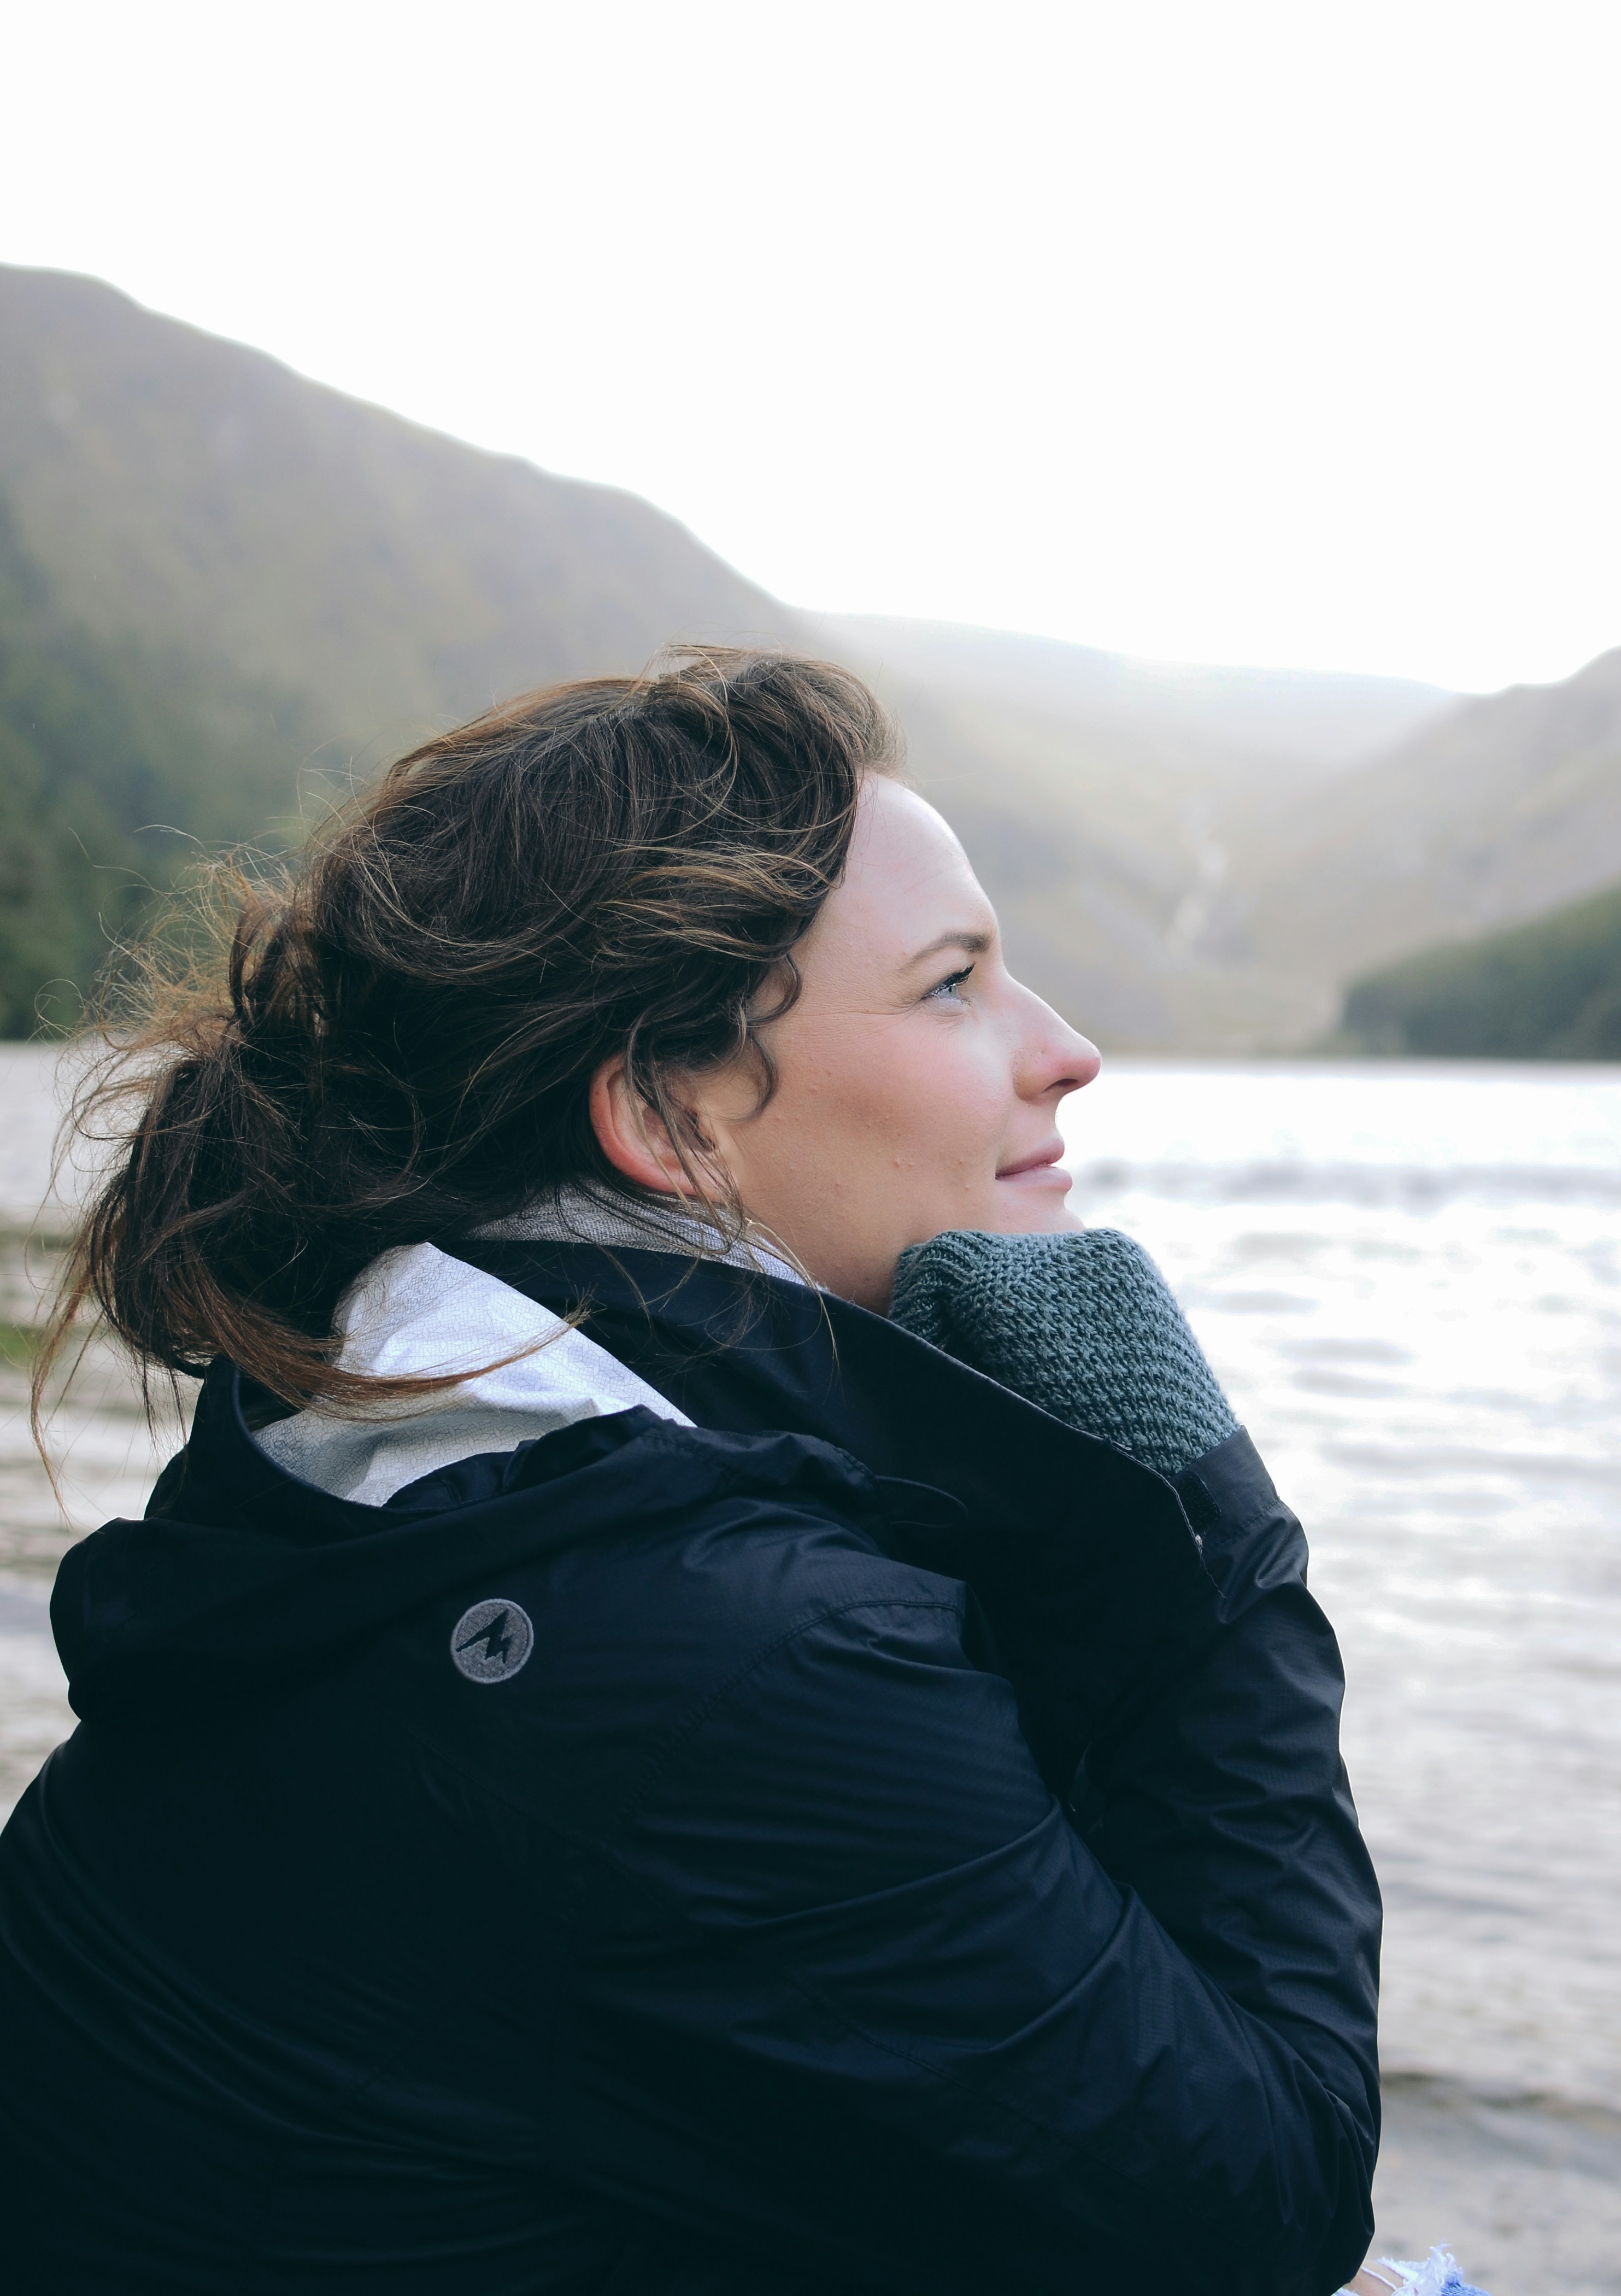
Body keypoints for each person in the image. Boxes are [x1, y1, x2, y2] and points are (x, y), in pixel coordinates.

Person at [0, 649, 1383, 2295]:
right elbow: (1268, 2219)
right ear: (671, 1116)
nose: (1067, 1049)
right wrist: (1199, 1522)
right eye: (954, 985)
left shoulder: (393, 1456)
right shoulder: (715, 1648)